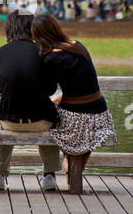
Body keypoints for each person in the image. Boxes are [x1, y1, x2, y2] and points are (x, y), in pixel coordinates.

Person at [31, 13, 117, 181]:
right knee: (82, 141)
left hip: (77, 117)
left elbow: (48, 90)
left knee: (44, 118)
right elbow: (82, 84)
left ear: (38, 36)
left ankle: (66, 163)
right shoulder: (78, 46)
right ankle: (73, 169)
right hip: (100, 113)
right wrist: (61, 98)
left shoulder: (50, 58)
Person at [0, 9, 61, 191]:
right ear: (32, 28)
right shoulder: (45, 53)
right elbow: (51, 90)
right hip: (41, 121)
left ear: (9, 28)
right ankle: (50, 175)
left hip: (9, 121)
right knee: (54, 120)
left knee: (2, 123)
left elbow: (1, 89)